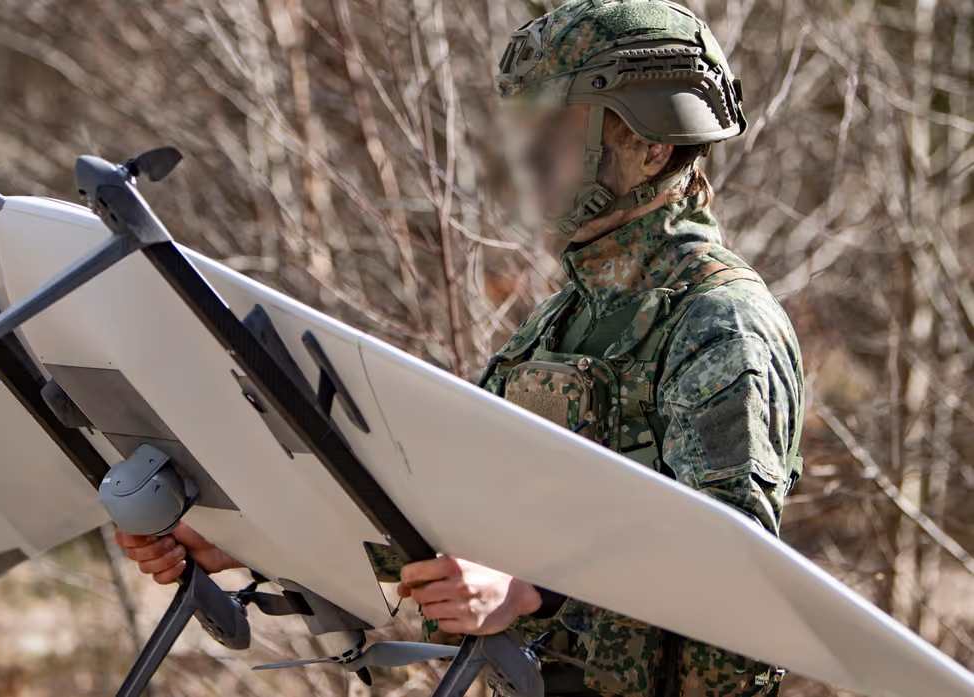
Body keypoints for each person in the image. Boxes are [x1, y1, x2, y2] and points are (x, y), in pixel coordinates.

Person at [115, 1, 804, 695]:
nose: (525, 155)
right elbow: (443, 520)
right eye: (522, 126)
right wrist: (245, 542)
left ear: (652, 145)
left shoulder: (717, 320)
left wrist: (531, 590)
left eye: (558, 127)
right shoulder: (560, 323)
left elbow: (732, 564)